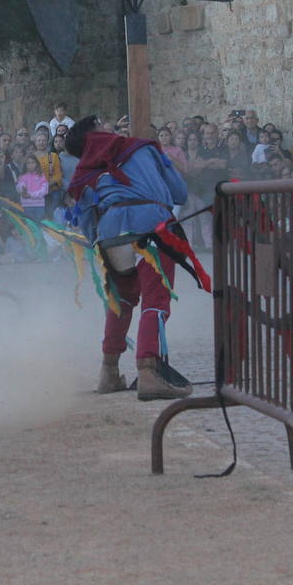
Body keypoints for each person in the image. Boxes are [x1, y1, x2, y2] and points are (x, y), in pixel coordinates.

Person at [64, 116, 192, 401]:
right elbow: (180, 193)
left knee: (120, 300)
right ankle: (147, 371)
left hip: (111, 232)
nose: (108, 127)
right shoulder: (143, 147)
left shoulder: (84, 169)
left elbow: (87, 219)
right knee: (155, 299)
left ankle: (108, 372)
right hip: (152, 225)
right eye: (102, 124)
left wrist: (98, 241)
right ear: (96, 132)